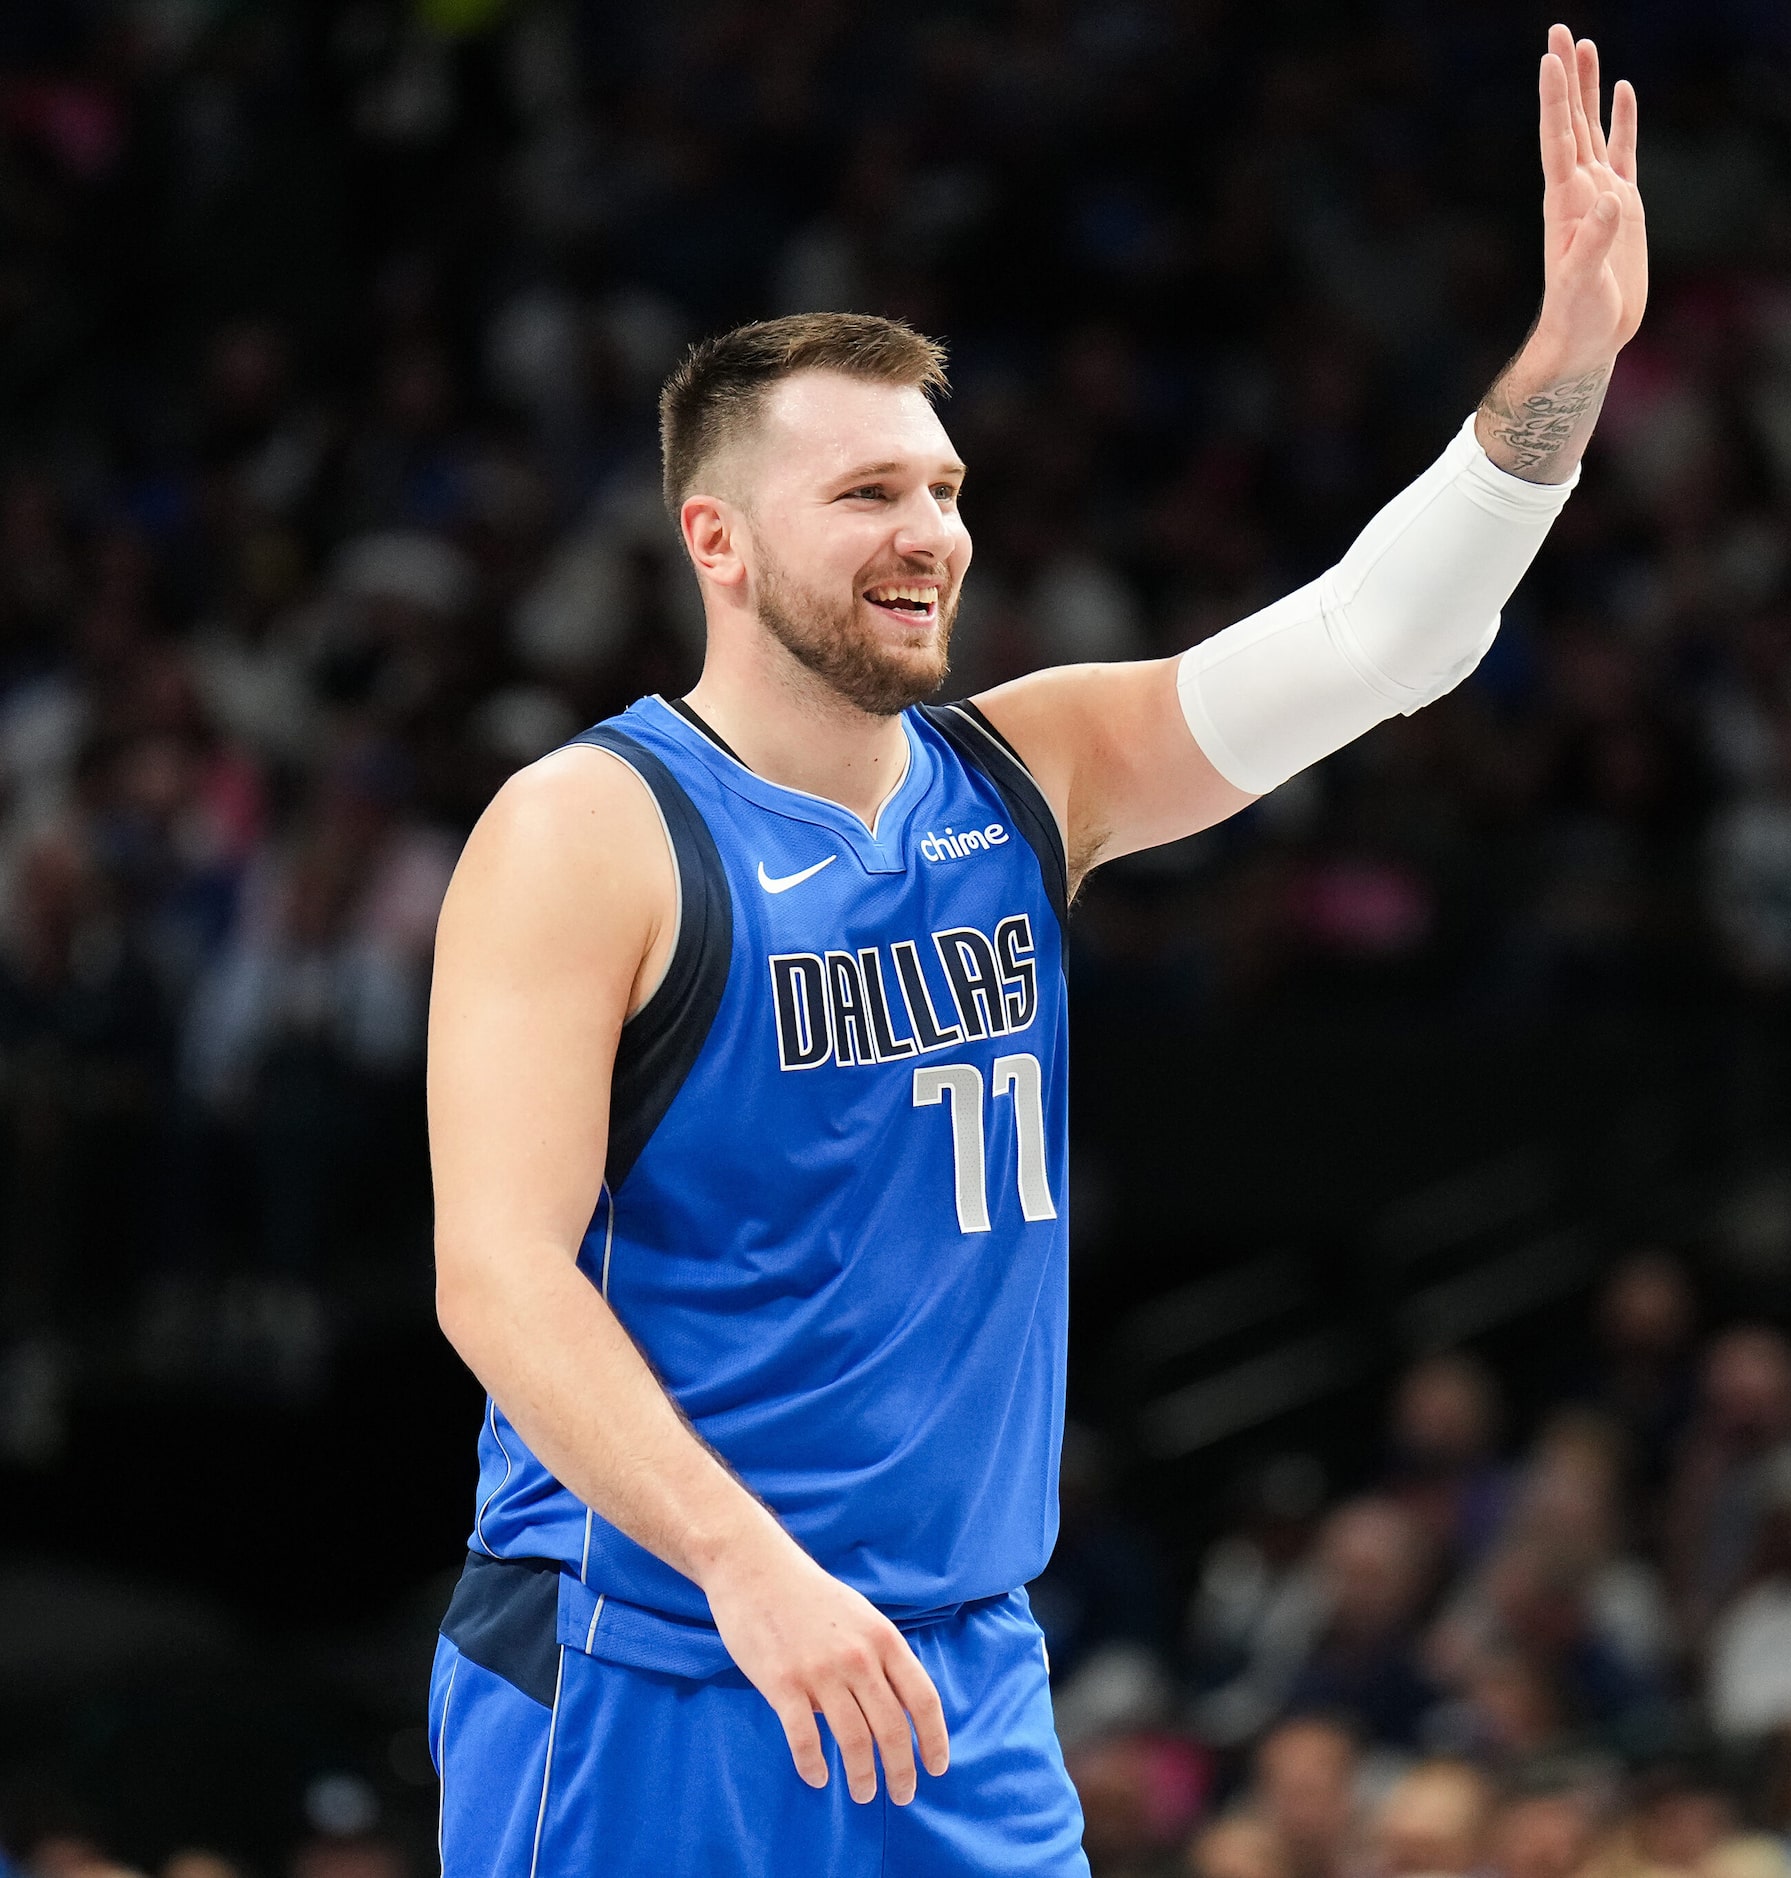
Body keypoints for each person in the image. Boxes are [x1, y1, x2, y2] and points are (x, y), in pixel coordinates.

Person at [420, 26, 1650, 1874]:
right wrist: (749, 1563)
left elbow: (1383, 643)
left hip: (953, 1669)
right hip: (654, 1648)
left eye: (944, 486)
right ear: (718, 538)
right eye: (867, 498)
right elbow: (496, 1276)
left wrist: (1563, 371)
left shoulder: (1028, 770)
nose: (931, 534)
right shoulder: (590, 828)